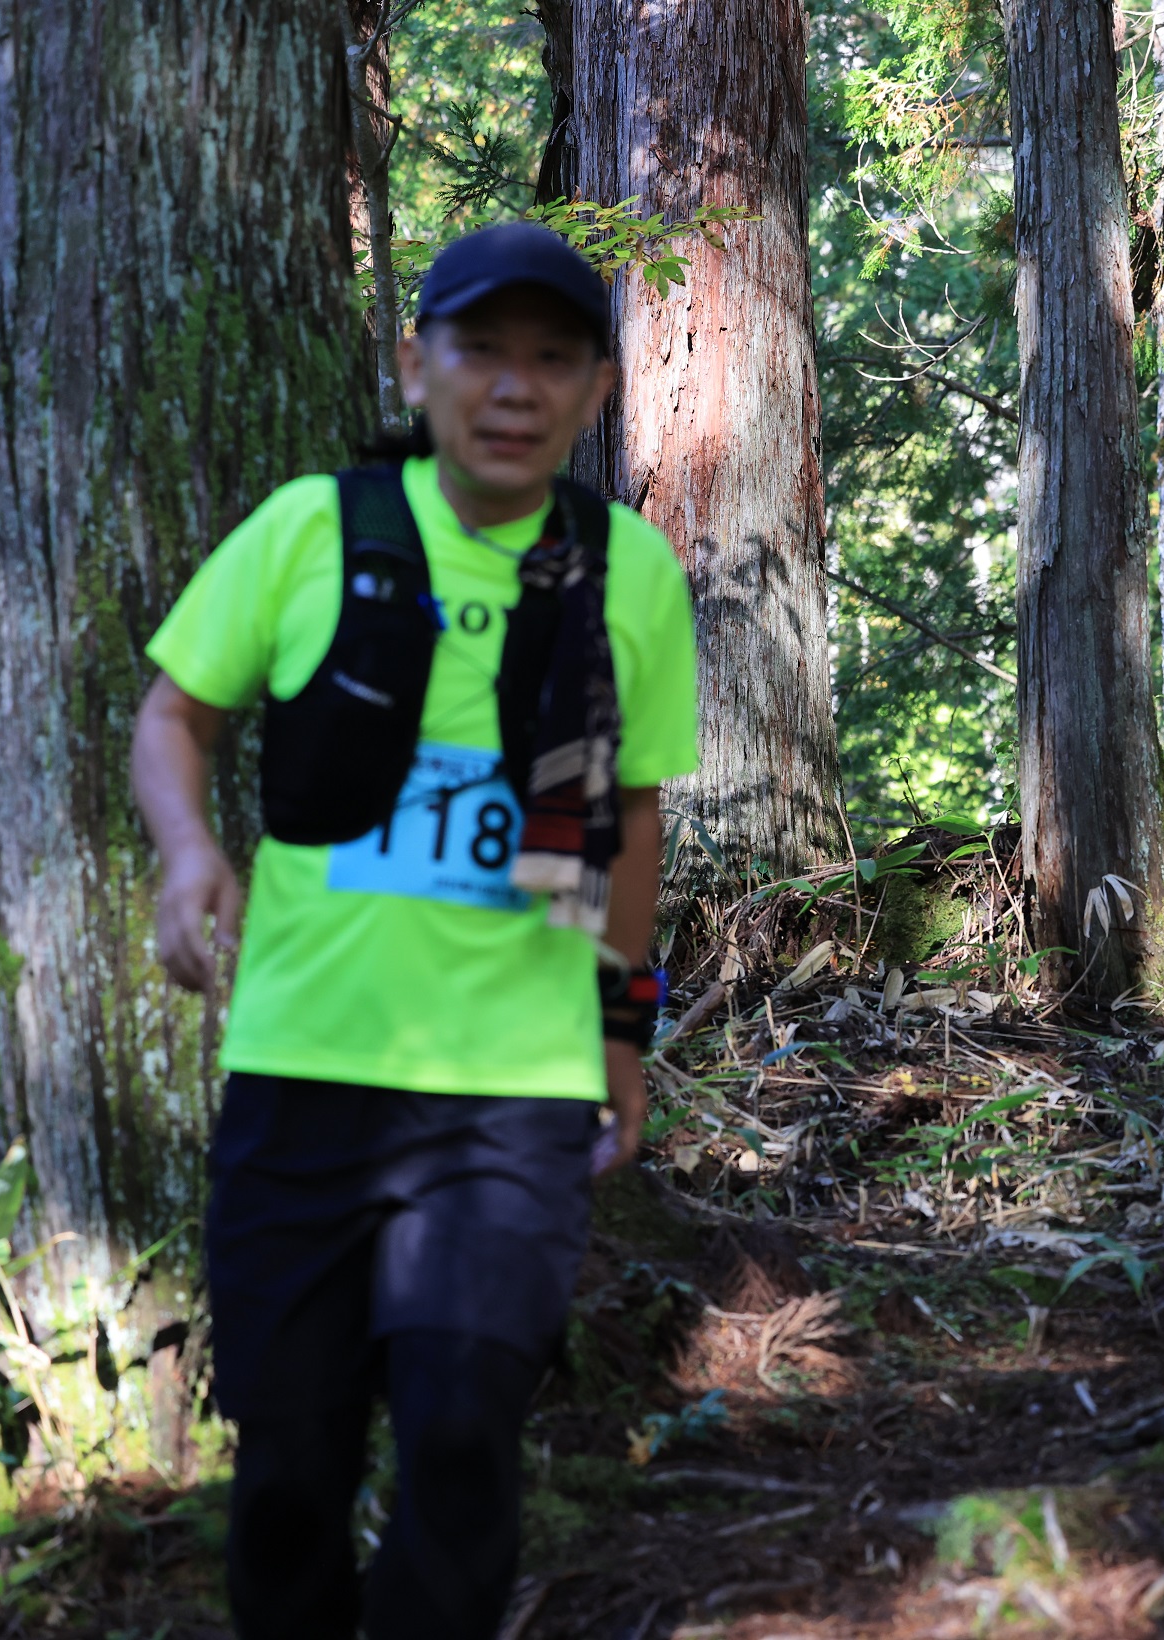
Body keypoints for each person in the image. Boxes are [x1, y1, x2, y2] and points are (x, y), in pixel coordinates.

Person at [129, 223, 700, 1639]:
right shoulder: (313, 527)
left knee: (460, 1440)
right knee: (288, 1475)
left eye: (551, 359)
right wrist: (189, 851)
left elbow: (629, 821)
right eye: (481, 351)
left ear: (596, 391)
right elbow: (176, 714)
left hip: (510, 1092)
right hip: (303, 1077)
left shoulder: (627, 572)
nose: (515, 388)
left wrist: (624, 1039)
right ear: (417, 362)